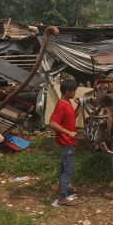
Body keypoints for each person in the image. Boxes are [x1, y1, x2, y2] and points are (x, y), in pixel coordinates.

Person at [49, 78, 84, 206]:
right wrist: (69, 133)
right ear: (67, 91)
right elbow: (52, 123)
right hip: (66, 141)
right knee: (69, 170)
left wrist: (79, 105)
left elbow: (73, 117)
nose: (75, 93)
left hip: (68, 141)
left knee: (63, 166)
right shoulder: (61, 105)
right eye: (73, 91)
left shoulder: (68, 103)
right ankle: (62, 198)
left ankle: (61, 187)